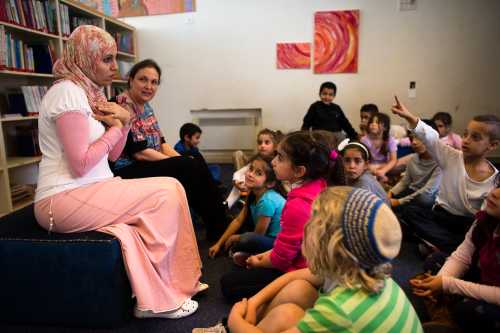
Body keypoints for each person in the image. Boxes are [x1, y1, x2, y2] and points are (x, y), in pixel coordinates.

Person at [34, 25, 201, 319]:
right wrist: (116, 127)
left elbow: (111, 154)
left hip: (90, 188)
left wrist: (123, 124)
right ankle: (163, 294)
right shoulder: (66, 94)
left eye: (115, 59)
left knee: (169, 188)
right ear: (85, 58)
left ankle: (170, 286)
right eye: (107, 59)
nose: (115, 67)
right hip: (61, 198)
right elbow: (81, 164)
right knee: (166, 191)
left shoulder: (91, 93)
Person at [194, 188, 422, 333]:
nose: (304, 227)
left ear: (332, 245)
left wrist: (237, 323)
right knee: (297, 291)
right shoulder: (357, 268)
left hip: (342, 318)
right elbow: (295, 275)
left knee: (283, 315)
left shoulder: (339, 310)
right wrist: (253, 304)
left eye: (312, 222)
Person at [219, 130, 345, 302]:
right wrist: (265, 256)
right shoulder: (321, 184)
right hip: (313, 264)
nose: (273, 161)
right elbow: (289, 245)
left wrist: (259, 261)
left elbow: (282, 260)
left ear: (299, 171)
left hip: (304, 272)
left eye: (280, 157)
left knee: (228, 284)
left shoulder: (298, 205)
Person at [111, 59, 228, 241]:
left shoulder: (146, 106)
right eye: (143, 79)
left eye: (154, 82)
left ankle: (219, 217)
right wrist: (181, 163)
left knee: (193, 157)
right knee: (187, 166)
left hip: (148, 161)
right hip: (128, 169)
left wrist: (185, 160)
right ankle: (219, 223)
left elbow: (162, 144)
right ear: (131, 80)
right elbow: (139, 152)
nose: (148, 86)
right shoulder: (121, 105)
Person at [391, 96, 499, 254]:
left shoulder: (495, 179)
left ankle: (440, 245)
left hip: (466, 224)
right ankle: (448, 247)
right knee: (411, 212)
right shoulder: (452, 156)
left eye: (475, 137)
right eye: (465, 134)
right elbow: (432, 139)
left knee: (478, 234)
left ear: (493, 145)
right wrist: (411, 118)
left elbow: (483, 219)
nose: (466, 140)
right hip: (440, 215)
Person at [410, 174, 500, 332]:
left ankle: (451, 316)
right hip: (486, 278)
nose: (494, 193)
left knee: (468, 310)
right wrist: (441, 282)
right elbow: (462, 256)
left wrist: (448, 284)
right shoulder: (486, 219)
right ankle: (445, 312)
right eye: (498, 186)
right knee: (435, 262)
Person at [208, 155, 286, 263]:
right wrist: (219, 243)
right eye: (251, 169)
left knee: (247, 239)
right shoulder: (253, 192)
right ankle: (249, 253)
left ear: (270, 183)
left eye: (258, 173)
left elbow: (257, 236)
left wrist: (236, 238)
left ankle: (255, 256)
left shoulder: (268, 201)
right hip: (263, 236)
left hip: (278, 243)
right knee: (226, 224)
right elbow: (239, 220)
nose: (250, 174)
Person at [389, 119, 442, 210]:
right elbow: (404, 182)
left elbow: (427, 191)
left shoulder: (441, 162)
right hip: (412, 192)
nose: (414, 142)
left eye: (419, 137)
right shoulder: (413, 158)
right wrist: (390, 193)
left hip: (429, 199)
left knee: (424, 199)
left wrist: (398, 202)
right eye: (411, 138)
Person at [227, 129, 282, 209]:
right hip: (251, 184)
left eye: (267, 142)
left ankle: (244, 199)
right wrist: (237, 182)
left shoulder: (277, 162)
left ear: (275, 146)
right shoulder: (257, 159)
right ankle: (228, 204)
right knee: (240, 176)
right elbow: (239, 173)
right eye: (260, 143)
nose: (262, 146)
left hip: (265, 188)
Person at [338, 139, 389, 205]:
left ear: (366, 165)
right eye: (347, 160)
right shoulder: (351, 176)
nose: (352, 166)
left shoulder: (363, 184)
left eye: (357, 161)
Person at [361, 112, 398, 183]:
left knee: (402, 162)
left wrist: (383, 171)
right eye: (371, 122)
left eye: (377, 122)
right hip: (370, 167)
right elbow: (363, 160)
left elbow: (393, 160)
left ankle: (381, 177)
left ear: (385, 127)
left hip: (385, 166)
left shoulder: (390, 140)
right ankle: (382, 179)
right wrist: (374, 169)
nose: (373, 124)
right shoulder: (364, 140)